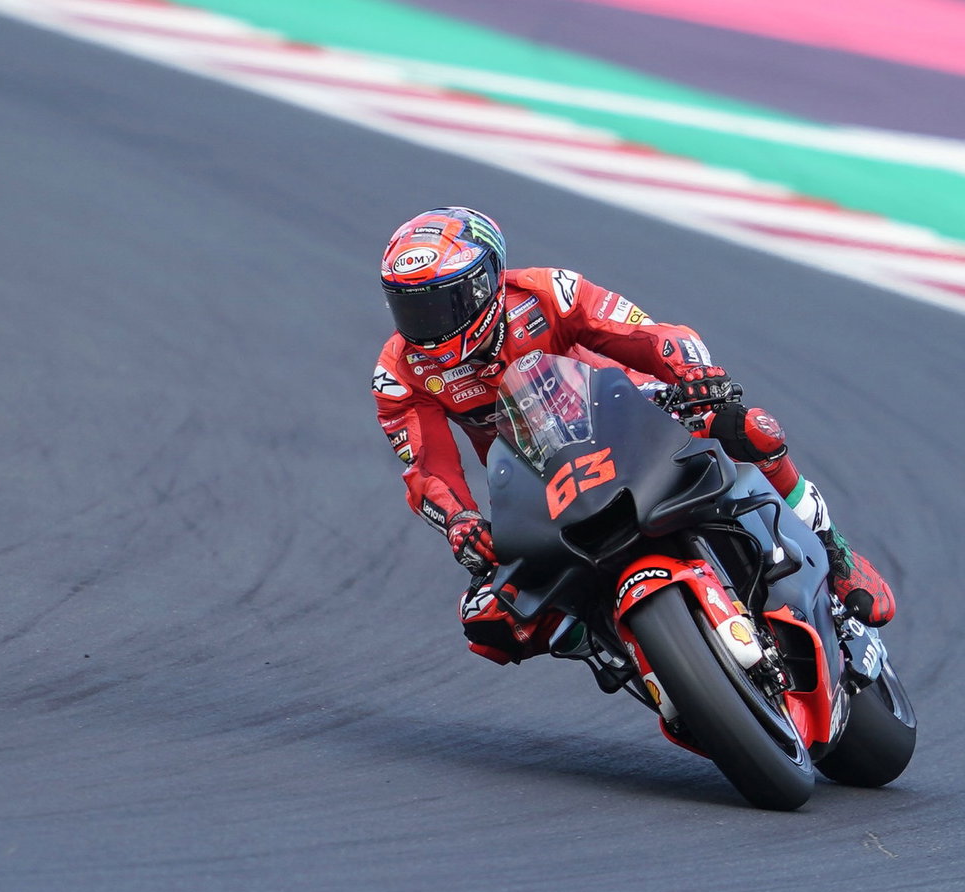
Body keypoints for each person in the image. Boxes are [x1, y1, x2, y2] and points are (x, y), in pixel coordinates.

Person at [371, 206, 896, 671]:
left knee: (750, 429)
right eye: (409, 308)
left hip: (633, 417)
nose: (426, 326)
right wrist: (459, 520)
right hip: (537, 482)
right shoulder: (398, 374)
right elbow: (428, 467)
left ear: (484, 283)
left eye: (441, 304)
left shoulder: (547, 293)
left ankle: (837, 554)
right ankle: (614, 650)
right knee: (488, 618)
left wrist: (694, 372)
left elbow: (642, 333)